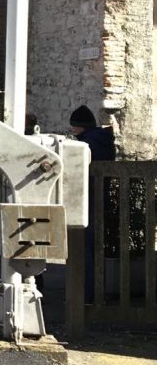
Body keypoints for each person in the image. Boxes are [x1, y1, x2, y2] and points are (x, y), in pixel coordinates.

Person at [69, 104, 115, 302]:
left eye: (74, 126)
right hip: (100, 196)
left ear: (80, 126)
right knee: (95, 248)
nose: (72, 130)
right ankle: (95, 292)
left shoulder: (86, 144)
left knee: (84, 248)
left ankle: (86, 295)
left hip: (86, 198)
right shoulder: (103, 139)